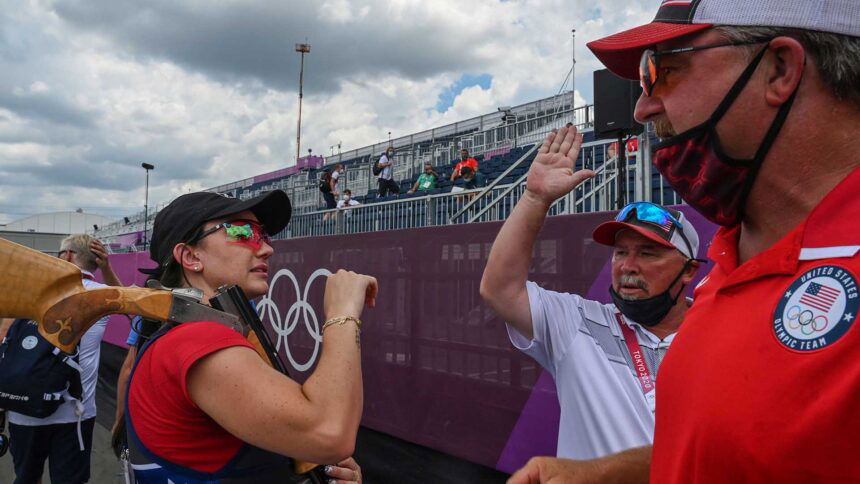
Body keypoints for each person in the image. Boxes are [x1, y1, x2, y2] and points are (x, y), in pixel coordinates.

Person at [512, 1, 860, 481]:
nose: (641, 106)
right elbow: (726, 449)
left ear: (780, 69)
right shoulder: (729, 265)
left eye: (663, 70)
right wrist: (603, 472)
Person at [481, 125, 702, 461]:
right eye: (620, 252)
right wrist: (535, 198)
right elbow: (500, 289)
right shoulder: (579, 323)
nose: (628, 265)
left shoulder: (718, 334)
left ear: (689, 271)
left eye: (648, 253)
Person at [124, 190, 373, 483]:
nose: (266, 248)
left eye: (263, 235)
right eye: (243, 232)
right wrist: (342, 312)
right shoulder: (198, 340)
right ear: (191, 257)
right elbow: (331, 432)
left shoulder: (184, 334)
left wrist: (324, 467)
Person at [4, 236, 121, 484]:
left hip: (23, 409)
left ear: (67, 256)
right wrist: (107, 268)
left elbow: (3, 341)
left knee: (25, 478)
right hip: (76, 415)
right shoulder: (103, 296)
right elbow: (129, 305)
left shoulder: (30, 292)